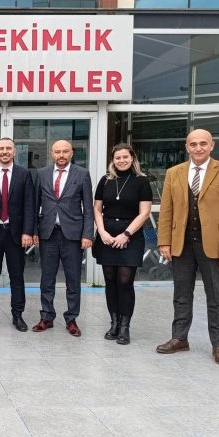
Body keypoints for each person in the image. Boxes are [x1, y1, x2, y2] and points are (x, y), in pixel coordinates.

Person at [156, 129, 219, 366]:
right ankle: (179, 338)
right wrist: (164, 241)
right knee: (181, 295)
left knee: (216, 297)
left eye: (203, 143)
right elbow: (166, 210)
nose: (198, 148)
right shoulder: (174, 173)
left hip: (214, 246)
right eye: (193, 144)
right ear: (187, 147)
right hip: (181, 244)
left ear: (211, 145)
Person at [92, 144, 152, 345]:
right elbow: (97, 208)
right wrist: (102, 232)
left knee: (125, 281)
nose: (122, 160)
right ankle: (114, 323)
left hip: (131, 236)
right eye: (118, 157)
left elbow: (144, 212)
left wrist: (126, 234)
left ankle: (125, 326)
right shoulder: (106, 180)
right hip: (107, 235)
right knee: (110, 279)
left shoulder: (142, 181)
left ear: (132, 158)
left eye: (125, 157)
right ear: (113, 160)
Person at [33, 140, 94, 337]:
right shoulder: (42, 173)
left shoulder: (82, 174)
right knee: (47, 278)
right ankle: (46, 316)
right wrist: (34, 231)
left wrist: (87, 234)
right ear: (52, 154)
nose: (61, 155)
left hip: (73, 235)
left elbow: (88, 208)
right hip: (48, 233)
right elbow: (34, 205)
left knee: (73, 279)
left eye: (65, 151)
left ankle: (71, 319)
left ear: (71, 153)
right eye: (57, 152)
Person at [0, 138, 35, 332]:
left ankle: (17, 314)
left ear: (14, 152)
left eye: (8, 148)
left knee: (17, 276)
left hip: (16, 234)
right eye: (1, 148)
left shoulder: (24, 174)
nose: (5, 151)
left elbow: (29, 205)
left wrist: (28, 231)